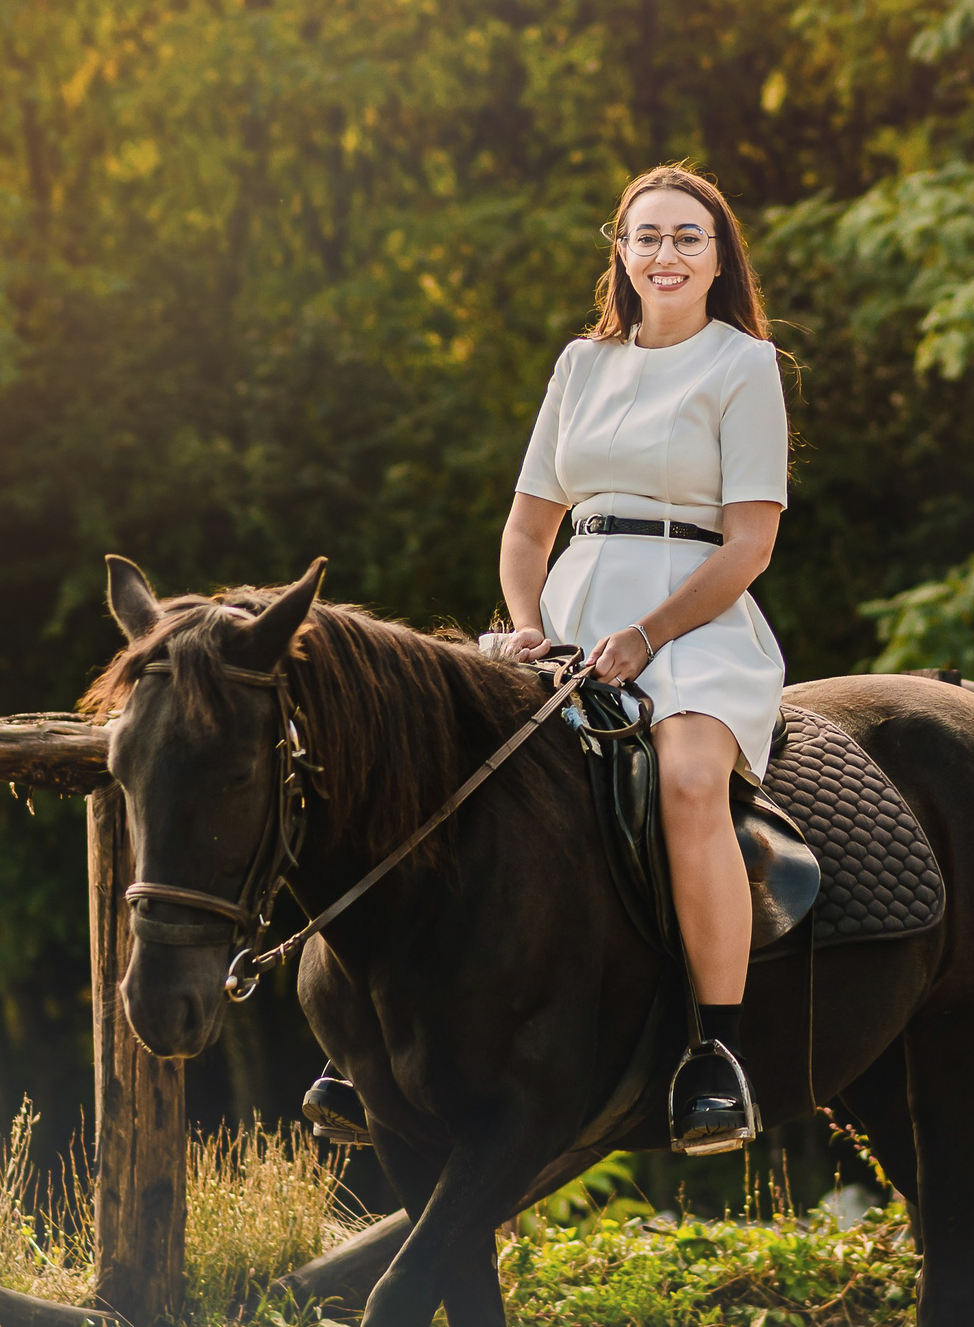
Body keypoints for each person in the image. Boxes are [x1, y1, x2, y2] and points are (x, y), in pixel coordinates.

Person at [303, 162, 789, 1156]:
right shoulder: (580, 364)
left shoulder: (744, 366)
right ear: (619, 249)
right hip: (571, 611)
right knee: (435, 768)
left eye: (687, 236)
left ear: (717, 256)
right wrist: (526, 621)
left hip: (694, 619)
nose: (666, 253)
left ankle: (715, 1053)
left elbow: (750, 542)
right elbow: (528, 530)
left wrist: (649, 634)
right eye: (647, 235)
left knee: (690, 783)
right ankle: (364, 1044)